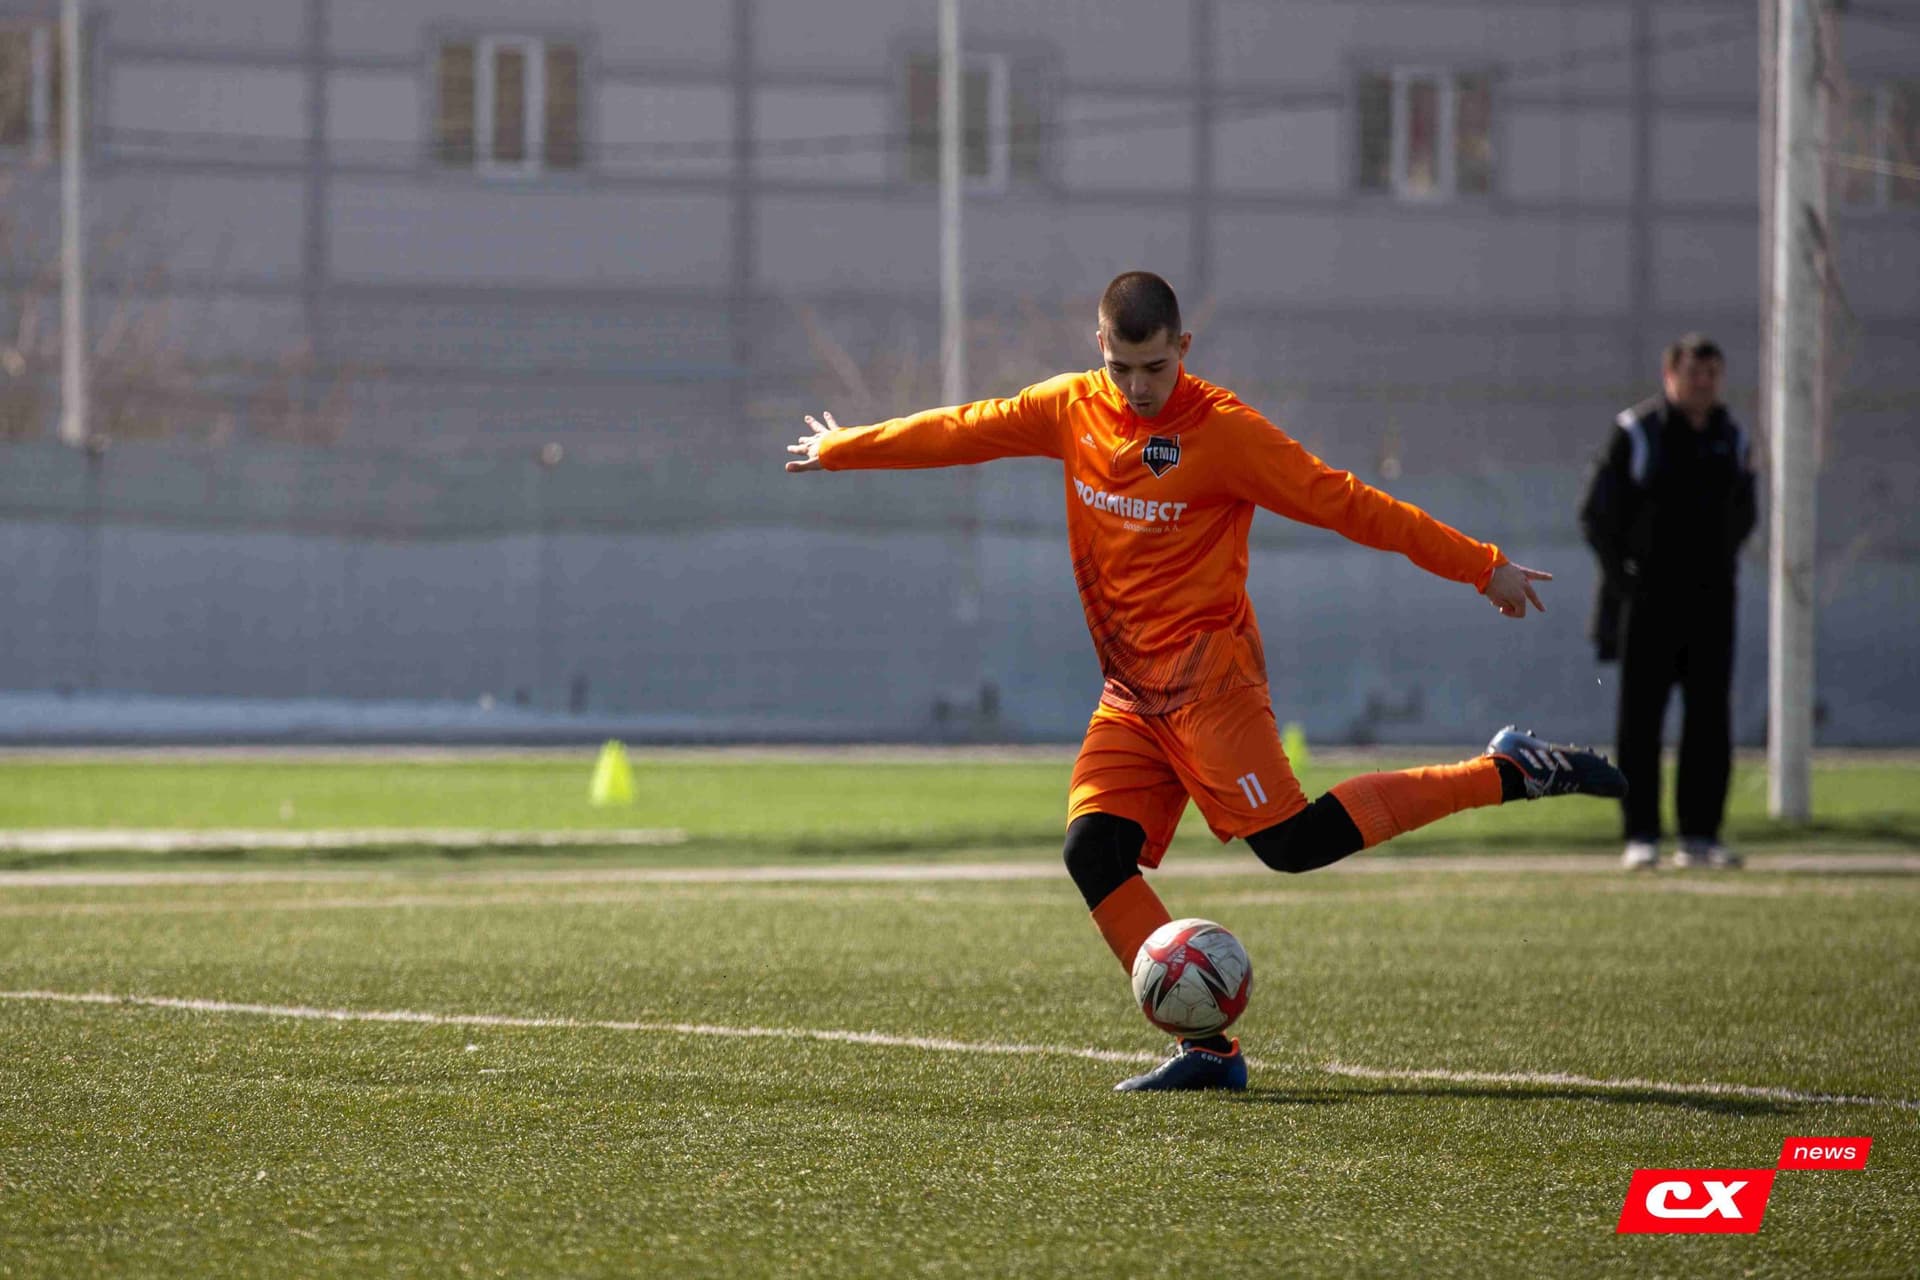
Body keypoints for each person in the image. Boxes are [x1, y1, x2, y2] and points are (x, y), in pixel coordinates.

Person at [786, 271, 1625, 1092]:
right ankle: (1209, 1049)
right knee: (1092, 851)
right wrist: (842, 447)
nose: (1141, 387)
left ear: (1183, 347)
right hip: (1130, 695)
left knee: (1290, 846)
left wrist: (1482, 567)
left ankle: (1509, 772)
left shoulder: (1226, 433)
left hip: (1211, 684)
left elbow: (1351, 503)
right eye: (1123, 367)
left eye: (1157, 366)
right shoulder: (1071, 407)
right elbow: (966, 427)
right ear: (1101, 349)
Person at [1581, 334, 1757, 872]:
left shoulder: (1731, 436)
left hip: (1711, 601)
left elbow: (1745, 512)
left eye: (1712, 374)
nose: (1703, 384)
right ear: (1670, 376)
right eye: (1693, 373)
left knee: (1709, 718)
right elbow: (1596, 515)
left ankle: (1701, 836)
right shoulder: (1637, 433)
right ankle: (1641, 835)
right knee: (1641, 721)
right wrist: (1624, 578)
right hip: (1648, 601)